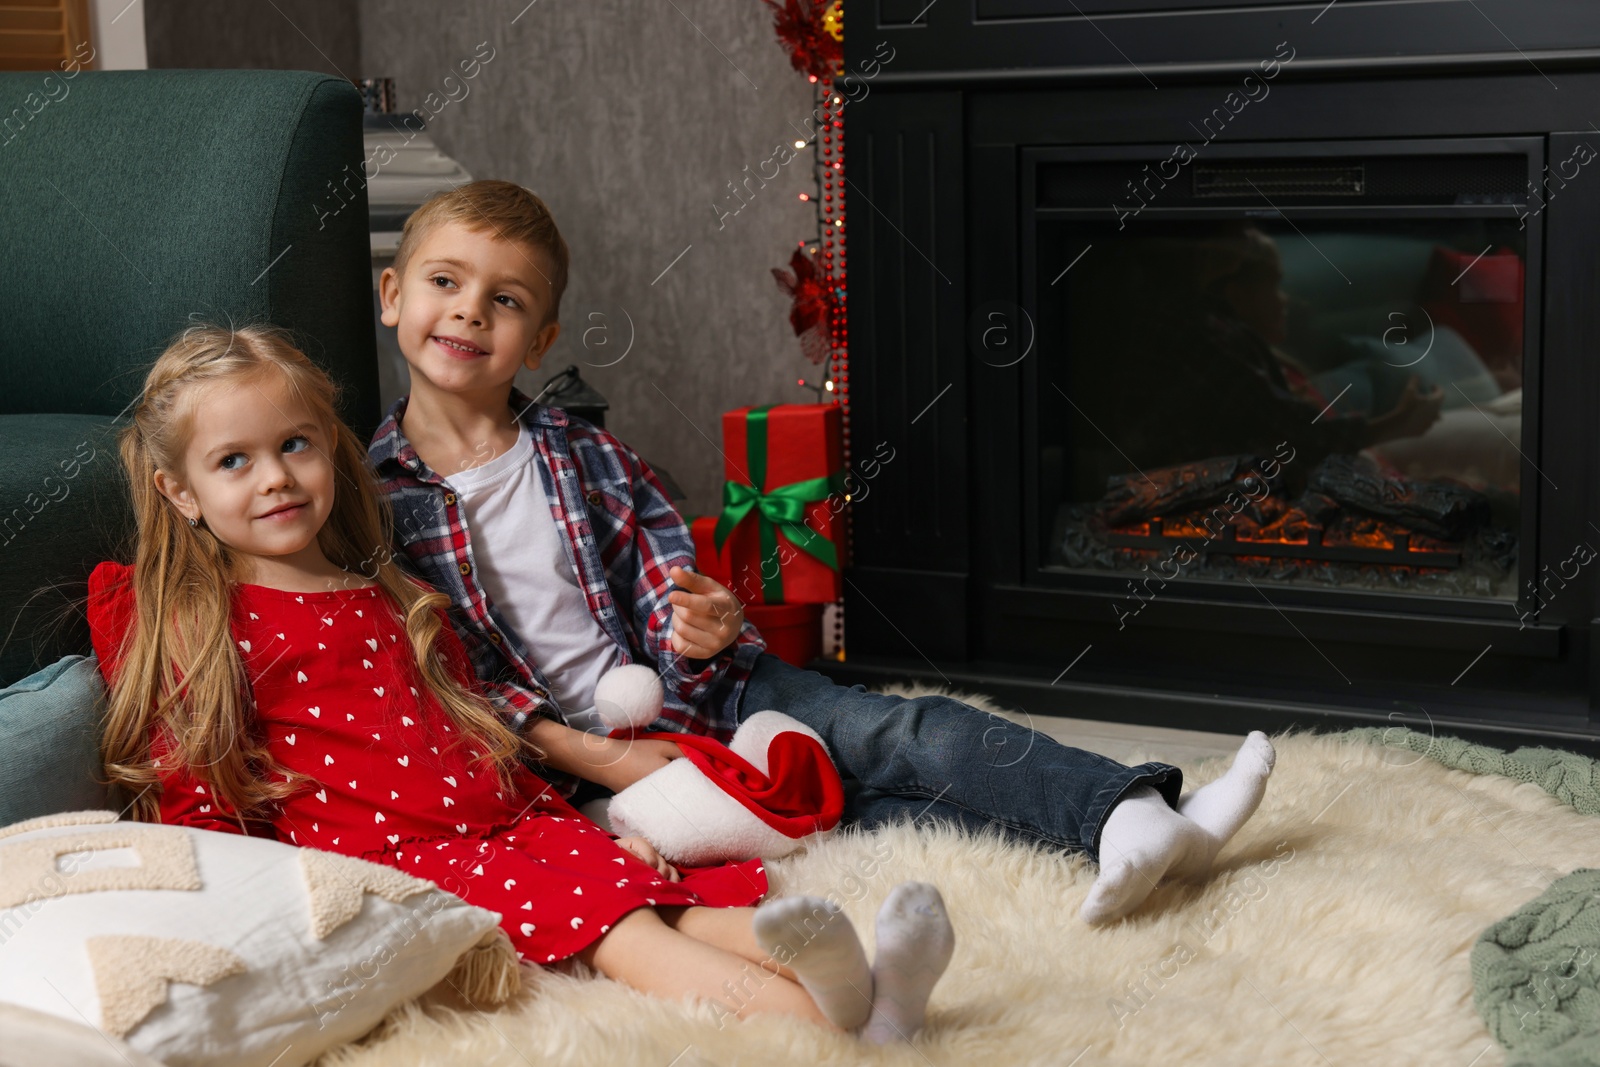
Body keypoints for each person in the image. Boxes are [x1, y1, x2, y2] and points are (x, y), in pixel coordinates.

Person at [368, 179, 1280, 926]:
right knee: (850, 809)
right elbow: (445, 676)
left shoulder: (581, 451)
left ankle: (1128, 808)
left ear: (543, 338)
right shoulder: (378, 504)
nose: (470, 313)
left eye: (506, 300)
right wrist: (595, 757)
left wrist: (709, 622)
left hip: (708, 689)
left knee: (896, 730)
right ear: (392, 295)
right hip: (578, 770)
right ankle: (1125, 834)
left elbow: (664, 571)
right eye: (445, 283)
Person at [86, 324, 955, 1040]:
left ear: (329, 450)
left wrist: (580, 820)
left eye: (294, 444)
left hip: (509, 822)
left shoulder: (392, 593)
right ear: (181, 491)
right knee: (626, 936)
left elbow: (468, 733)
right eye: (233, 461)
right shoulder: (211, 626)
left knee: (663, 899)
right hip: (401, 862)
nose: (275, 475)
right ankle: (846, 1027)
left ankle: (863, 979)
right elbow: (196, 801)